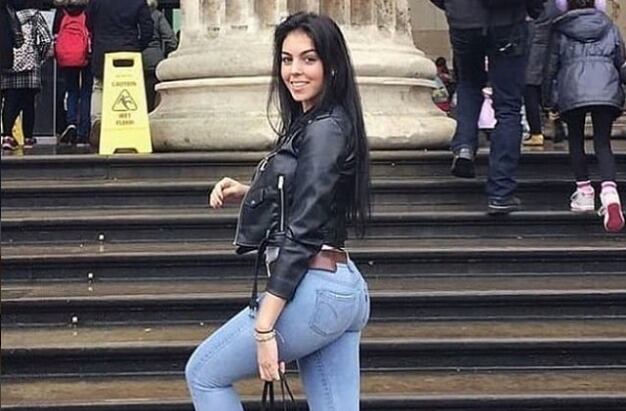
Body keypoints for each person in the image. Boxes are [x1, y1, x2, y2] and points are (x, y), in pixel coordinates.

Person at [185, 12, 371, 411]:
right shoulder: (321, 122)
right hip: (340, 286)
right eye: (287, 59)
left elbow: (305, 228)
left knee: (204, 374)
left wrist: (265, 326)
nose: (294, 71)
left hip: (316, 286)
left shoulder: (325, 128)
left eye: (309, 59)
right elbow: (311, 192)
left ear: (332, 64)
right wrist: (251, 190)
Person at [430, 0, 542, 215]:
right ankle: (501, 193)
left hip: (463, 20)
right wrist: (533, 8)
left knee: (468, 84)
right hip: (508, 18)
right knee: (508, 106)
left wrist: (453, 6)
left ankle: (464, 146)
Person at [545, 0, 625, 232]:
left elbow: (551, 67)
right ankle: (610, 194)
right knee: (603, 143)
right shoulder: (610, 27)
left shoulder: (560, 30)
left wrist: (548, 99)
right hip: (606, 89)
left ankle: (584, 192)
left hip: (572, 90)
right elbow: (621, 61)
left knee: (576, 140)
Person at [86, 0, 152, 143]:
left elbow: (88, 22)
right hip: (129, 50)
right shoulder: (138, 1)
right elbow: (147, 30)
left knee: (99, 87)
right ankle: (131, 125)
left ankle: (98, 123)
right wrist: (137, 46)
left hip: (102, 50)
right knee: (131, 89)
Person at [1, 0, 52, 151]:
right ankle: (28, 138)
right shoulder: (35, 15)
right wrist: (39, 57)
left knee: (9, 101)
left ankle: (7, 136)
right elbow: (46, 40)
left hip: (8, 63)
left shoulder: (4, 13)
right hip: (30, 67)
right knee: (29, 103)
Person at [523, 0, 565, 147]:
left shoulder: (536, 8)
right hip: (550, 53)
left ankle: (536, 133)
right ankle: (555, 121)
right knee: (546, 90)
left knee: (529, 89)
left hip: (533, 51)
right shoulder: (556, 8)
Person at [53, 0, 92, 146]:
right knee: (86, 91)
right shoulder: (88, 11)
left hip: (67, 56)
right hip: (86, 55)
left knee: (72, 90)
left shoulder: (61, 12)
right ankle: (84, 131)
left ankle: (71, 123)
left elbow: (55, 34)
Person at [142, 0, 177, 112]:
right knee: (152, 97)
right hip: (154, 61)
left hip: (134, 58)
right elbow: (171, 40)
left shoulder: (130, 14)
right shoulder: (157, 15)